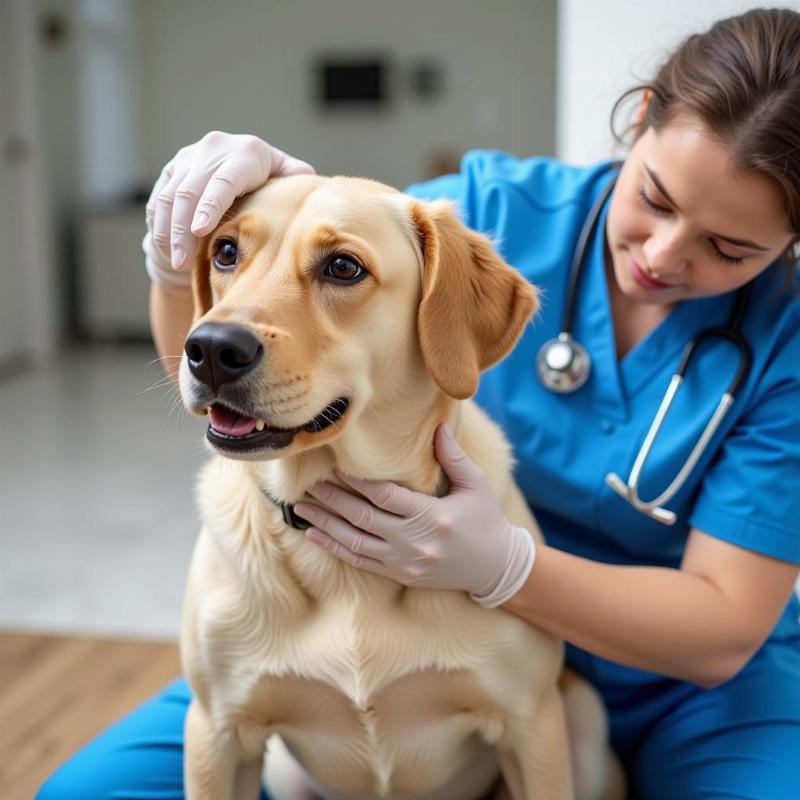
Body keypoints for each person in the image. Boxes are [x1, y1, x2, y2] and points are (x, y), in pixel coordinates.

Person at [38, 8, 800, 800]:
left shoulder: (785, 343)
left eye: (729, 248)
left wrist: (504, 566)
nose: (663, 254)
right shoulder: (487, 213)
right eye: (656, 198)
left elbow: (721, 631)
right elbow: (267, 327)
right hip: (336, 607)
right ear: (640, 120)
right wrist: (186, 248)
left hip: (676, 681)